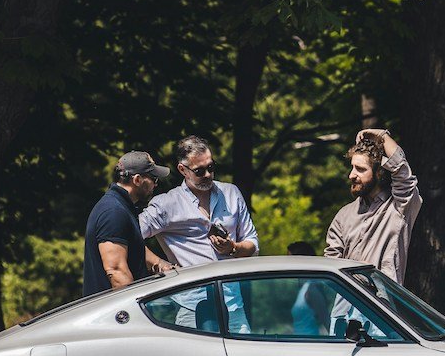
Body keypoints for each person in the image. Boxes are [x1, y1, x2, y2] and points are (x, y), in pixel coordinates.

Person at [138, 135, 259, 331]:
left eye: (211, 167)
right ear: (182, 169)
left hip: (233, 303)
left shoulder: (231, 193)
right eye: (199, 171)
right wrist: (158, 263)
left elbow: (253, 243)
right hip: (191, 306)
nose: (208, 175)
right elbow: (128, 237)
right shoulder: (166, 204)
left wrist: (233, 248)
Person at [324, 128, 421, 283]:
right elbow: (330, 266)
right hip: (345, 303)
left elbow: (402, 171)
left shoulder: (399, 207)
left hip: (379, 304)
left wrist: (382, 135)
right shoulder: (344, 215)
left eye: (360, 169)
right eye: (352, 167)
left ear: (379, 173)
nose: (351, 175)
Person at [83, 151, 173, 296]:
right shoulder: (113, 212)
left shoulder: (121, 206)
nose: (155, 185)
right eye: (153, 179)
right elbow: (116, 271)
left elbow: (134, 247)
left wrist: (163, 265)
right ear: (137, 180)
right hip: (111, 314)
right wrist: (135, 312)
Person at [287, 241, 330, 336]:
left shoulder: (312, 289)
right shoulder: (303, 288)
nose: (287, 264)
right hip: (301, 344)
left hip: (310, 344)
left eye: (290, 260)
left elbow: (326, 321)